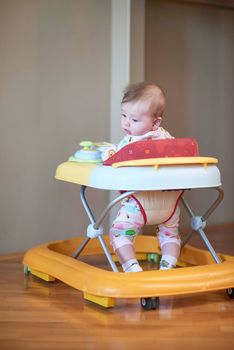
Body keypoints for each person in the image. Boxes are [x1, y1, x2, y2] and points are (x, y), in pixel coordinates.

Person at [102, 82, 181, 272]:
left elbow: (110, 159)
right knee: (170, 235)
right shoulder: (170, 141)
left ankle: (132, 268)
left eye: (134, 120)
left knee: (120, 234)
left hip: (138, 206)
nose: (126, 123)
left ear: (155, 122)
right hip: (169, 207)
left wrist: (106, 152)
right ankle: (167, 265)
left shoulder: (130, 144)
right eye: (124, 116)